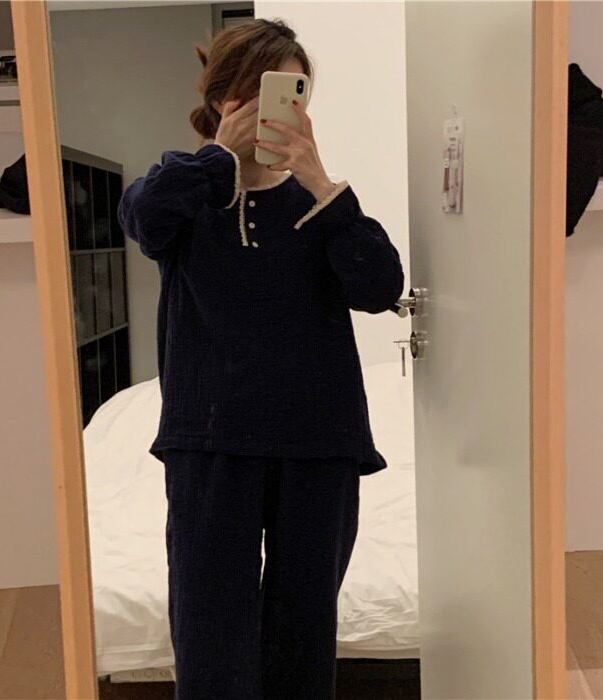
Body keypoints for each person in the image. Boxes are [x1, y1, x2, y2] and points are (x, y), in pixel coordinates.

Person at [118, 17, 404, 700]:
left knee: (303, 630)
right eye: (257, 92)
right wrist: (220, 157)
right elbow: (141, 220)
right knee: (208, 627)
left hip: (320, 441)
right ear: (223, 98)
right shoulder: (185, 193)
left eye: (292, 93)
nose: (277, 110)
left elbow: (380, 287)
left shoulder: (320, 206)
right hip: (209, 441)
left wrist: (319, 179)